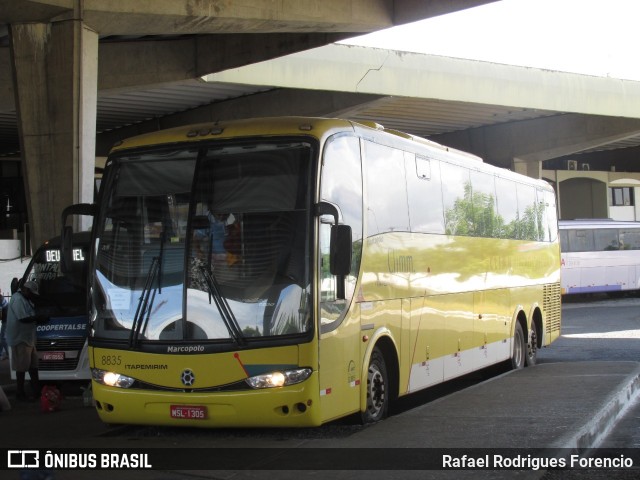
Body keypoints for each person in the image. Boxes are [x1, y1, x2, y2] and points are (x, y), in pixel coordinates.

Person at [5, 281, 43, 401]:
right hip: (20, 339)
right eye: (31, 293)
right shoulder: (18, 299)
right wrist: (38, 318)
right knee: (21, 368)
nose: (33, 296)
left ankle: (37, 391)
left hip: (28, 338)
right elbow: (23, 318)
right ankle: (20, 393)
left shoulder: (26, 299)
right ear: (26, 290)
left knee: (33, 366)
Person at [0, 289, 8, 360]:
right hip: (6, 319)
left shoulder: (0, 299)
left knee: (3, 338)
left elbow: (0, 314)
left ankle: (8, 354)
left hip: (6, 320)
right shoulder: (1, 297)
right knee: (2, 337)